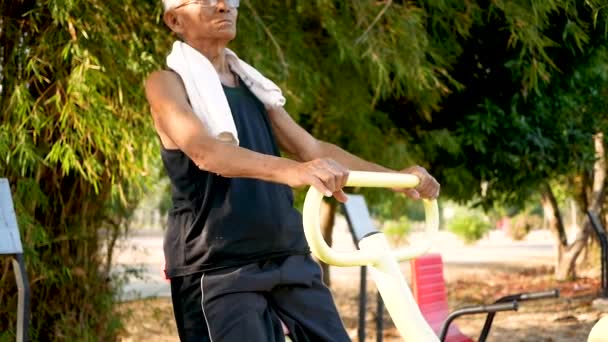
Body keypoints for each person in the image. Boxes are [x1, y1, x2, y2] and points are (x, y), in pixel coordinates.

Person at [144, 0, 441, 341]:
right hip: (218, 264)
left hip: (285, 252)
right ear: (174, 19)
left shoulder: (252, 85)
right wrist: (295, 171)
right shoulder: (165, 84)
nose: (224, 6)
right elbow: (205, 152)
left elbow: (312, 150)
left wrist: (393, 178)